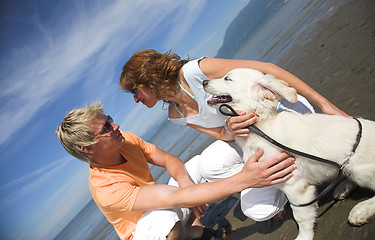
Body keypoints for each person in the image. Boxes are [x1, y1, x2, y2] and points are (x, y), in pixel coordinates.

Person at [119, 49, 349, 221]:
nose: (135, 99)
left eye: (134, 91)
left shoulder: (194, 71)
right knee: (248, 202)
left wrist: (325, 105)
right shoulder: (176, 114)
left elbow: (269, 71)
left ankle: (303, 171)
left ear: (147, 78)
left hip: (284, 116)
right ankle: (281, 181)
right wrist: (230, 128)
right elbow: (223, 134)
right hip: (259, 138)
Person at [55, 102, 296, 240]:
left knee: (197, 166)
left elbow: (170, 161)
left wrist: (185, 182)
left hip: (162, 201)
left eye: (110, 119)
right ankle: (189, 231)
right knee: (166, 219)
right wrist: (244, 180)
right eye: (106, 127)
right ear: (88, 148)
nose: (116, 125)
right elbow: (171, 199)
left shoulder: (124, 139)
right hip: (145, 230)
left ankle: (192, 229)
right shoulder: (104, 187)